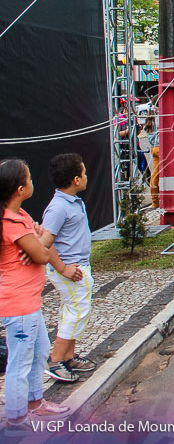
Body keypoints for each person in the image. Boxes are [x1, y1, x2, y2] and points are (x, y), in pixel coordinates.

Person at [1, 159, 75, 428]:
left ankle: (35, 403)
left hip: (31, 302)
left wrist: (38, 236)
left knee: (40, 351)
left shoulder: (21, 217)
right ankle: (17, 419)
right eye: (30, 178)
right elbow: (43, 254)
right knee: (19, 364)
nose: (33, 182)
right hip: (18, 305)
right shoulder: (10, 223)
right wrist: (38, 239)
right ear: (20, 188)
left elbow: (40, 238)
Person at [40, 154, 97, 384]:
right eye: (83, 173)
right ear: (75, 179)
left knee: (73, 309)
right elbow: (45, 241)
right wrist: (63, 268)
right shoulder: (58, 208)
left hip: (79, 266)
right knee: (77, 311)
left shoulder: (73, 202)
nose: (86, 177)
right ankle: (55, 360)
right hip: (69, 269)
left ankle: (69, 356)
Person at [144, 109, 160, 209]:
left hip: (153, 148)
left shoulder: (150, 118)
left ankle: (154, 201)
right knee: (165, 176)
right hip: (161, 147)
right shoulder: (159, 118)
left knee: (155, 175)